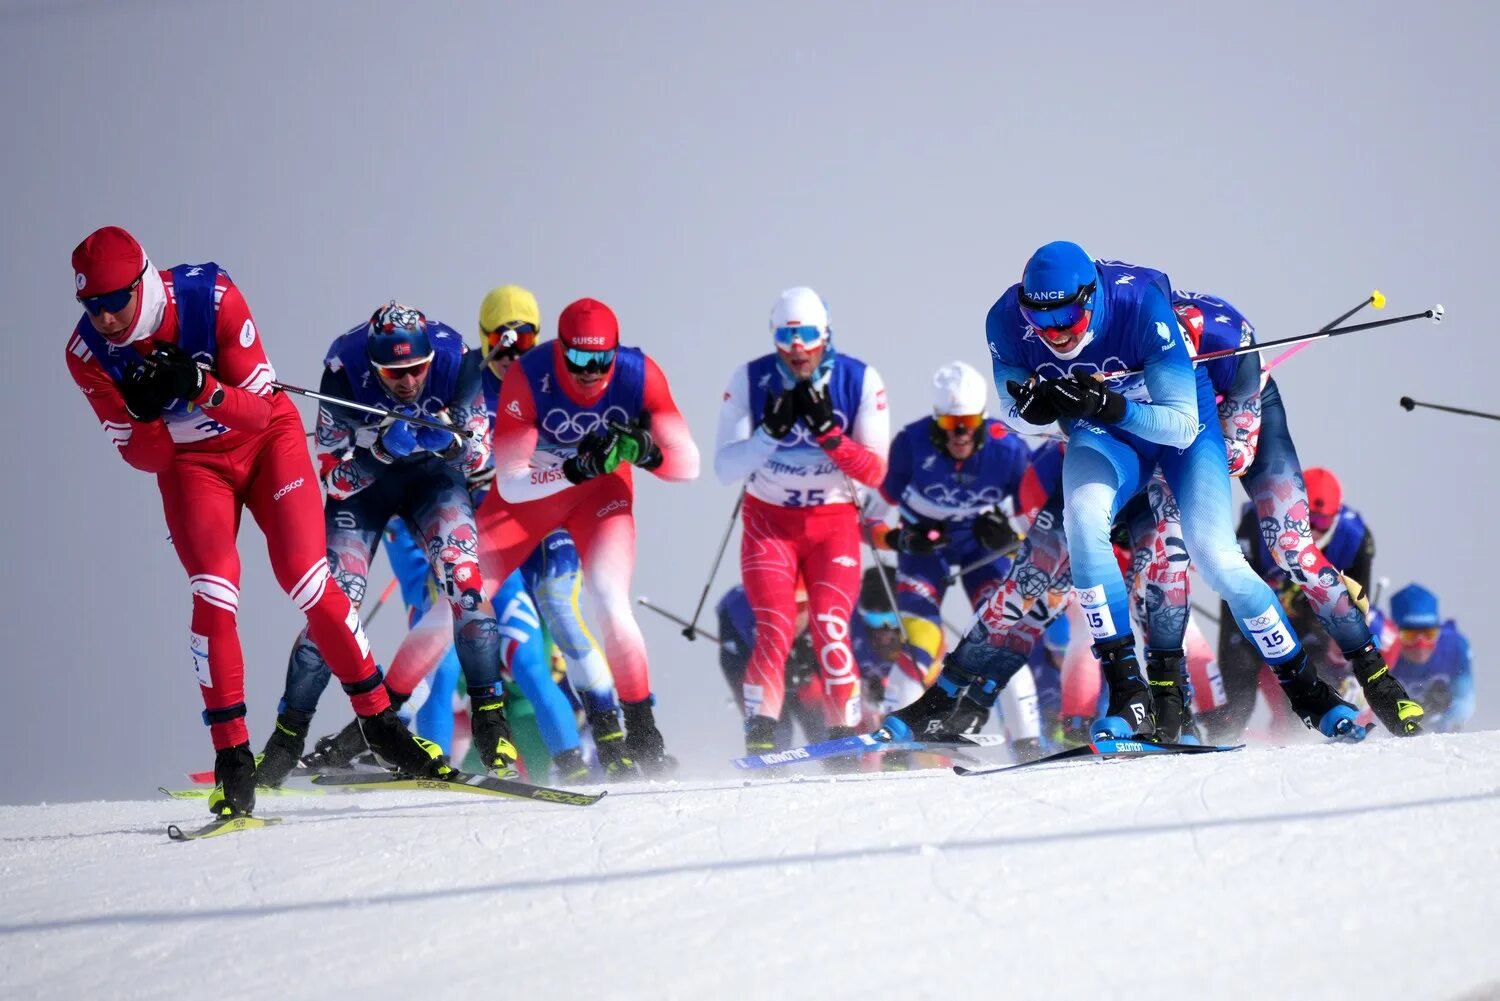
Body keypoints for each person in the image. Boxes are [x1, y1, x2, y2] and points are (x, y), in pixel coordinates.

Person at [890, 242, 1359, 743]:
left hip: (1163, 456)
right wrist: (1033, 409)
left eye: (1069, 315)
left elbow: (1196, 432)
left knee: (1173, 578)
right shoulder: (1012, 332)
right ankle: (958, 704)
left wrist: (1117, 407)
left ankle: (1201, 704)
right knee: (1029, 585)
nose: (1056, 332)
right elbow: (1018, 427)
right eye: (1041, 320)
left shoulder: (1159, 324)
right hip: (1105, 456)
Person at [64, 227, 441, 818]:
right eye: (93, 305)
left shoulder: (209, 296)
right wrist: (143, 415)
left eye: (117, 300)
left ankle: (380, 726)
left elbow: (259, 411)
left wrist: (197, 386)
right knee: (213, 590)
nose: (107, 318)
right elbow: (149, 459)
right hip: (192, 465)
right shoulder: (84, 354)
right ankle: (233, 758)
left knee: (307, 578)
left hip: (266, 445)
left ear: (144, 280)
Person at [259, 301, 522, 783]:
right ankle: (285, 739)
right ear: (373, 364)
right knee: (332, 607)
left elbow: (481, 458)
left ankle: (492, 724)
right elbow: (334, 478)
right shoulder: (342, 369)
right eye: (393, 372)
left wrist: (449, 443)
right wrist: (381, 451)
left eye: (416, 369)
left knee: (465, 584)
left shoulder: (456, 359)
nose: (407, 381)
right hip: (366, 490)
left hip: (432, 480)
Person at [1171, 288, 1423, 738]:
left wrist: (1220, 450)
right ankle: (1199, 723)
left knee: (1295, 548)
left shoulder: (1229, 333)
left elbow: (1242, 442)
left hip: (1244, 410)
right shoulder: (1127, 353)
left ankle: (1378, 682)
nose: (1324, 527)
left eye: (1325, 522)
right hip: (1185, 422)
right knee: (1235, 632)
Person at [476, 297, 700, 775]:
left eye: (525, 337)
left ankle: (622, 736)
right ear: (483, 340)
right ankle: (398, 726)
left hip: (572, 506)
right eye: (500, 341)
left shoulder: (571, 376)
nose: (589, 371)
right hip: (507, 513)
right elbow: (497, 474)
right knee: (505, 637)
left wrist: (647, 451)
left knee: (568, 608)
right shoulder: (473, 387)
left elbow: (687, 462)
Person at [713, 287, 891, 755]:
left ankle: (845, 731)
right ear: (774, 338)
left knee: (831, 625)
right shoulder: (749, 379)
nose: (797, 347)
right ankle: (761, 734)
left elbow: (875, 471)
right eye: (786, 336)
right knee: (773, 626)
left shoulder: (859, 379)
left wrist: (831, 437)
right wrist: (768, 435)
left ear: (825, 334)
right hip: (769, 524)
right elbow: (725, 468)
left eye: (807, 334)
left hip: (831, 525)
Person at [880, 361, 1032, 686]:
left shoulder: (1009, 449)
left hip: (982, 551)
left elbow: (1039, 529)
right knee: (921, 641)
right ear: (937, 421)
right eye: (950, 422)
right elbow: (867, 522)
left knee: (1000, 638)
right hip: (925, 551)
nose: (960, 434)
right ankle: (895, 727)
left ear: (982, 418)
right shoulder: (910, 445)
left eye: (968, 422)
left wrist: (1011, 537)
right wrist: (900, 541)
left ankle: (1026, 738)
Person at [716, 582, 826, 751]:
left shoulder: (819, 609)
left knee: (817, 712)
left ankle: (838, 758)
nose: (796, 617)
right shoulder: (748, 614)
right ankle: (765, 753)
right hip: (744, 657)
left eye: (801, 607)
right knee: (775, 724)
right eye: (790, 609)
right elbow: (759, 669)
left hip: (788, 648)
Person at [1382, 584, 1473, 733]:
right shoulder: (1384, 649)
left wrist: (1438, 724)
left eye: (1429, 634)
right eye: (1409, 636)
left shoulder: (1455, 646)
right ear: (1395, 632)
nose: (1421, 645)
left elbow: (1465, 699)